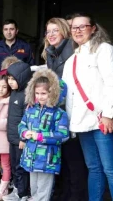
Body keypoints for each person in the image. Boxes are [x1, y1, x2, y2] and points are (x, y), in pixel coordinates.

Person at [62, 13, 113, 201]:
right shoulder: (71, 60)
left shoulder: (105, 50)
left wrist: (108, 114)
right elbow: (68, 95)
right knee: (94, 168)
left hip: (102, 120)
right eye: (74, 27)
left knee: (111, 169)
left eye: (83, 26)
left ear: (93, 28)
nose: (78, 31)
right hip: (82, 123)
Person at [42, 17, 88, 201]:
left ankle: (75, 197)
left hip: (73, 111)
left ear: (64, 31)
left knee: (74, 159)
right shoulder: (50, 53)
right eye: (48, 31)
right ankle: (64, 194)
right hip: (59, 112)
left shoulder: (72, 49)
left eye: (55, 30)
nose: (51, 34)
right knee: (62, 157)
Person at [18, 69, 70, 201]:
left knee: (43, 192)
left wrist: (41, 136)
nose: (40, 96)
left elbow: (63, 135)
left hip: (48, 160)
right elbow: (22, 124)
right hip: (31, 157)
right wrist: (24, 133)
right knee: (34, 189)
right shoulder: (31, 110)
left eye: (44, 93)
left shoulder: (58, 113)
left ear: (53, 93)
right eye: (37, 93)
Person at [3, 61, 32, 201]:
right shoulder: (14, 93)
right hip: (13, 138)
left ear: (22, 78)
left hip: (21, 140)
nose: (10, 82)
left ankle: (23, 193)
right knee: (15, 166)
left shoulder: (27, 96)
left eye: (13, 79)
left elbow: (28, 120)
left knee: (21, 167)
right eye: (9, 79)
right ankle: (17, 190)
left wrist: (23, 138)